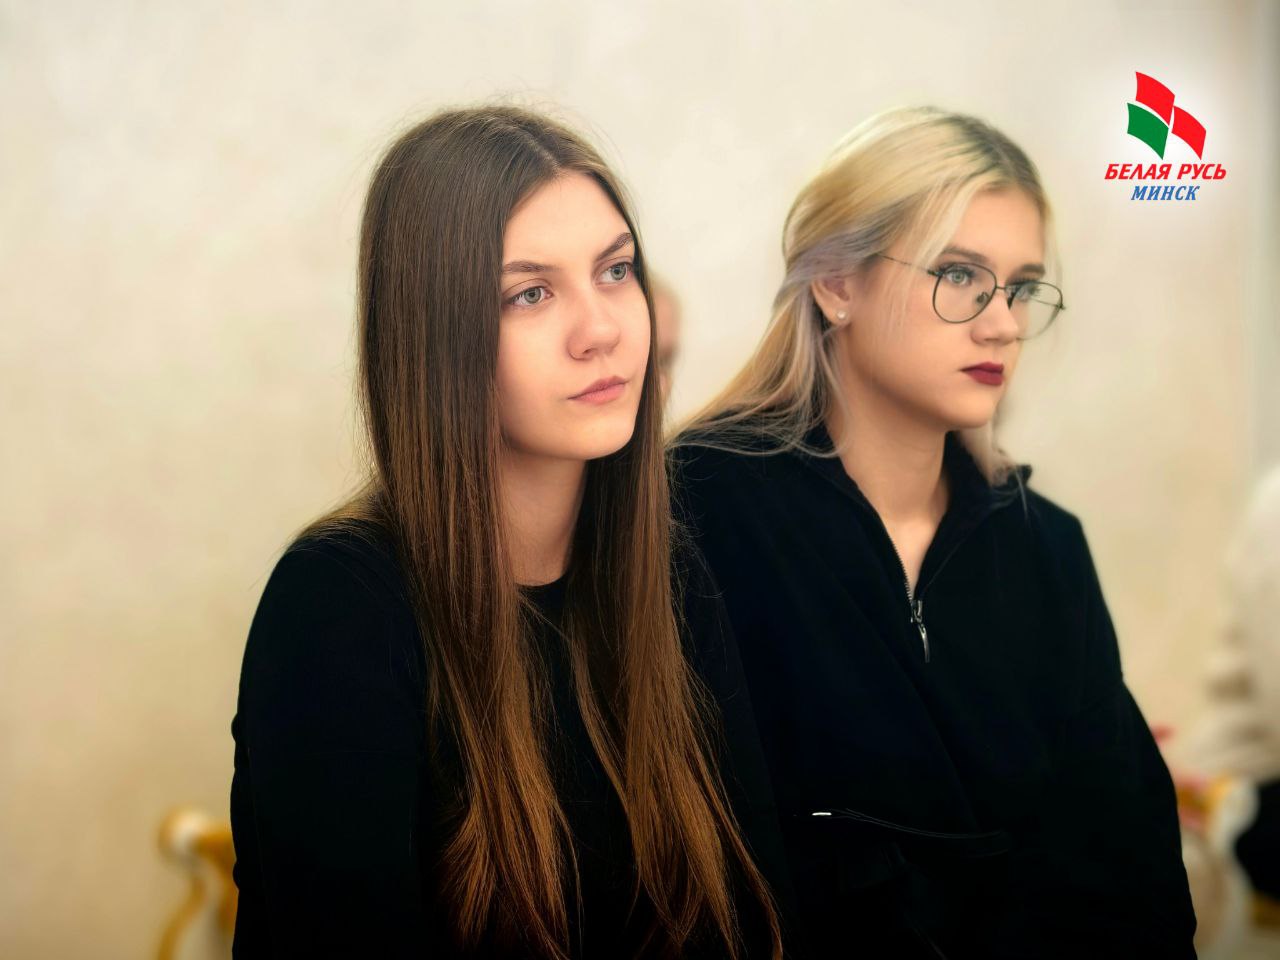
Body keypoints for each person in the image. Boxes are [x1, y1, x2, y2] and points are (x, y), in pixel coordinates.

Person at [229, 105, 787, 960]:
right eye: (530, 293)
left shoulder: (670, 575)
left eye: (615, 271)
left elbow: (756, 919)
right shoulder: (336, 608)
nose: (601, 330)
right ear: (435, 337)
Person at [669, 106, 1196, 958]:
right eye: (960, 275)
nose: (1003, 324)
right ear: (836, 284)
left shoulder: (1047, 551)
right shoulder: (693, 512)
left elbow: (1129, 882)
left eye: (1021, 287)